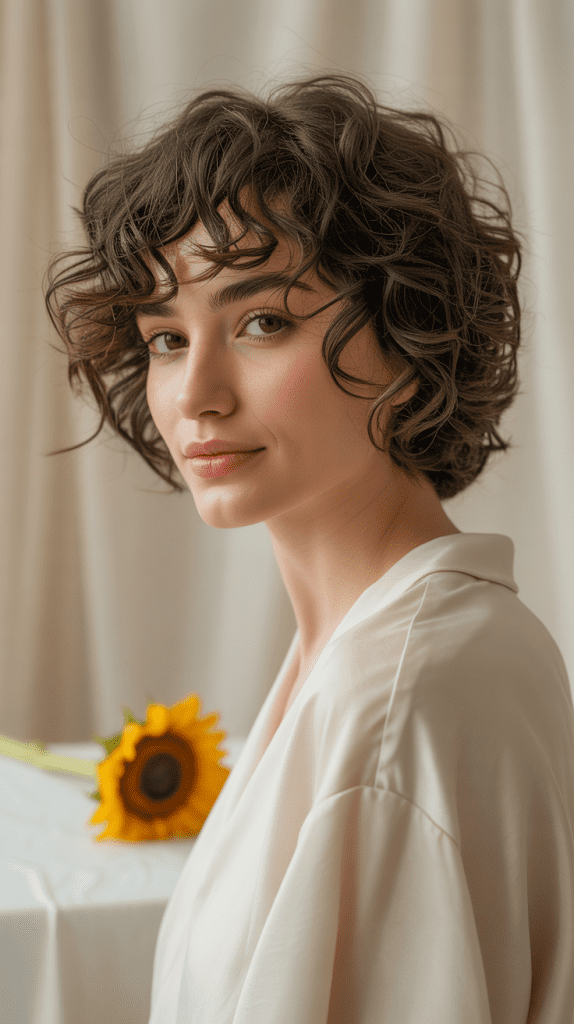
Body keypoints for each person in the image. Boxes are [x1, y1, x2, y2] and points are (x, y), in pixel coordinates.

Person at [45, 72, 574, 1023]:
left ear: (411, 341)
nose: (195, 393)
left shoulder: (402, 700)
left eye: (262, 321)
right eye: (166, 337)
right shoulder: (399, 648)